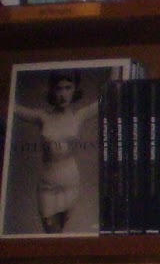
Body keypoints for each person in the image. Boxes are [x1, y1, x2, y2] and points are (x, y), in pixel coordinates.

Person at [10, 70, 97, 232]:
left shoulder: (79, 116)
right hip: (47, 183)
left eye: (68, 88)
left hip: (70, 181)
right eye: (59, 88)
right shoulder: (42, 117)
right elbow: (12, 107)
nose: (63, 94)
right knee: (50, 230)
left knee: (60, 232)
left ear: (75, 89)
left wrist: (118, 73)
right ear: (52, 90)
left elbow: (108, 98)